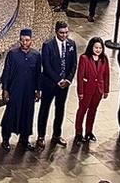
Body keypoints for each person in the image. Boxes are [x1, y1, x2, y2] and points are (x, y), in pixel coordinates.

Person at [36, 20, 77, 148]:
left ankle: (56, 135)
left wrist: (68, 80)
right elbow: (46, 66)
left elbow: (74, 64)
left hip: (64, 86)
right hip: (50, 84)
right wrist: (58, 80)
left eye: (66, 32)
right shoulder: (48, 45)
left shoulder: (72, 44)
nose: (64, 35)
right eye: (61, 33)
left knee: (60, 110)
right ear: (56, 32)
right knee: (44, 110)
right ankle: (41, 136)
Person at [0, 28, 40, 151]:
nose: (24, 43)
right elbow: (6, 72)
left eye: (27, 40)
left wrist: (38, 90)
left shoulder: (36, 55)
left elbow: (38, 74)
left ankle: (24, 139)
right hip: (15, 90)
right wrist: (5, 89)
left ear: (31, 41)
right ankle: (5, 139)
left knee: (27, 115)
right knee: (11, 114)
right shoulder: (12, 54)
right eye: (22, 40)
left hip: (28, 91)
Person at [73, 36, 109, 144]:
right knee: (82, 111)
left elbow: (106, 75)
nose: (98, 50)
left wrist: (106, 90)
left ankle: (89, 132)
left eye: (100, 48)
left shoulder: (104, 59)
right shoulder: (84, 58)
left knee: (93, 111)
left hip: (98, 90)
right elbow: (80, 76)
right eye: (96, 47)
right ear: (91, 47)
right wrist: (80, 92)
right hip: (86, 89)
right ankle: (79, 133)